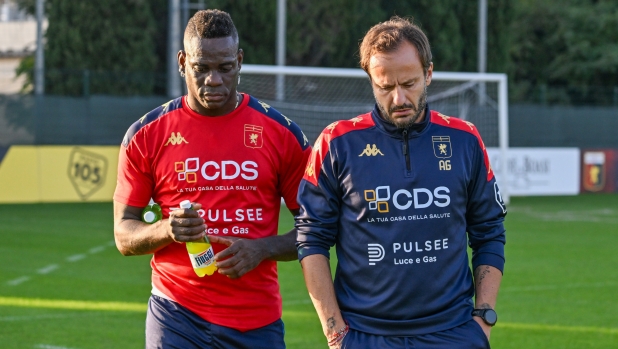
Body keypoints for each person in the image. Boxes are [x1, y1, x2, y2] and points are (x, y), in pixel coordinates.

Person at [296, 16, 506, 349]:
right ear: (370, 79)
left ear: (429, 74)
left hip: (454, 333)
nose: (399, 99)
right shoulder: (336, 143)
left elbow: (490, 231)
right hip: (366, 336)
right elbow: (311, 239)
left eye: (409, 83)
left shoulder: (464, 139)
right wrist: (335, 333)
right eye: (385, 86)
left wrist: (483, 319)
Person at [113, 9, 311, 349]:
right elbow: (123, 232)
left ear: (240, 61)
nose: (213, 80)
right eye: (200, 68)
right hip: (175, 314)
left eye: (225, 67)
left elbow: (317, 227)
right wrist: (166, 229)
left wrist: (263, 249)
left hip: (256, 320)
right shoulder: (145, 135)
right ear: (182, 62)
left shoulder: (282, 134)